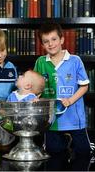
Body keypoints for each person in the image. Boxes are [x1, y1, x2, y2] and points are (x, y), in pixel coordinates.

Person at [34, 22, 91, 159]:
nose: (50, 44)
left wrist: (70, 100)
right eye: (46, 41)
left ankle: (74, 142)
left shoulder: (75, 60)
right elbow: (37, 86)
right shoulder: (41, 62)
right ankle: (65, 141)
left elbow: (84, 86)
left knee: (84, 153)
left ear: (62, 40)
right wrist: (35, 96)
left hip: (74, 116)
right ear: (42, 44)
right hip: (52, 119)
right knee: (55, 152)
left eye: (54, 39)